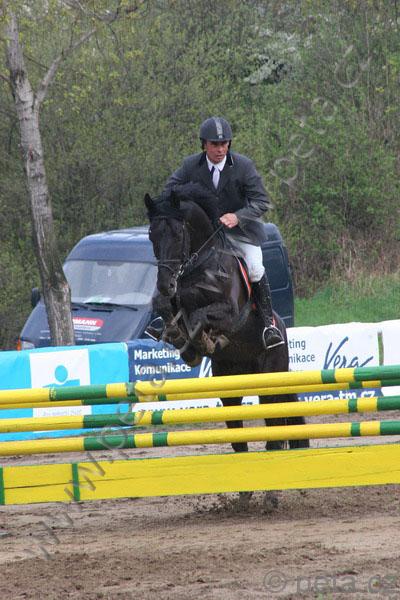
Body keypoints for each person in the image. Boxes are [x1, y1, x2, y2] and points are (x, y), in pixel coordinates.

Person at [163, 116, 284, 350]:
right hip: (207, 235)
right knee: (173, 261)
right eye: (215, 144)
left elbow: (261, 201)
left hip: (242, 232)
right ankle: (166, 318)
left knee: (255, 267)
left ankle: (268, 325)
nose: (220, 149)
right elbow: (170, 191)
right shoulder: (190, 166)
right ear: (204, 144)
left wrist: (237, 216)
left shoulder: (243, 166)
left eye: (224, 144)